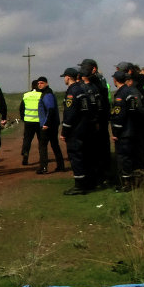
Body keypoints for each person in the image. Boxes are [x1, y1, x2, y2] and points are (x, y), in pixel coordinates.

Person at [60, 67, 97, 195]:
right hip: (84, 128)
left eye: (64, 77)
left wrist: (64, 131)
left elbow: (70, 115)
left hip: (75, 131)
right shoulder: (82, 89)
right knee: (84, 156)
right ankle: (87, 183)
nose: (64, 79)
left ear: (68, 77)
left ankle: (79, 186)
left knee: (76, 157)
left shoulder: (72, 91)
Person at [110, 70, 144, 192]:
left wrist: (116, 132)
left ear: (115, 80)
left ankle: (125, 184)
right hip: (133, 130)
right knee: (130, 157)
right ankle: (133, 181)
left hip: (124, 132)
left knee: (123, 158)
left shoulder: (121, 94)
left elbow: (119, 115)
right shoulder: (132, 91)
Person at [79, 58, 112, 186]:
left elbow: (100, 102)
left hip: (98, 120)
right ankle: (101, 175)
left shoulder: (97, 83)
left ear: (93, 69)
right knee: (99, 149)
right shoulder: (100, 80)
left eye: (85, 69)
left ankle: (101, 177)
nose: (82, 72)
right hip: (99, 118)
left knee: (99, 149)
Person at [35, 77, 66, 174]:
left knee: (43, 146)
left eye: (42, 83)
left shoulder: (47, 95)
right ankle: (61, 165)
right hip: (52, 123)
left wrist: (46, 124)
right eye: (38, 83)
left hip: (47, 125)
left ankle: (43, 167)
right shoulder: (47, 93)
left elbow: (51, 110)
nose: (39, 85)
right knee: (54, 144)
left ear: (46, 83)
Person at [19, 80, 43, 167]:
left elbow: (21, 108)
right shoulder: (41, 95)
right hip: (39, 122)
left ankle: (25, 154)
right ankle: (42, 157)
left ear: (31, 86)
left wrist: (23, 118)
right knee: (41, 140)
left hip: (28, 121)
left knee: (27, 139)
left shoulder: (26, 95)